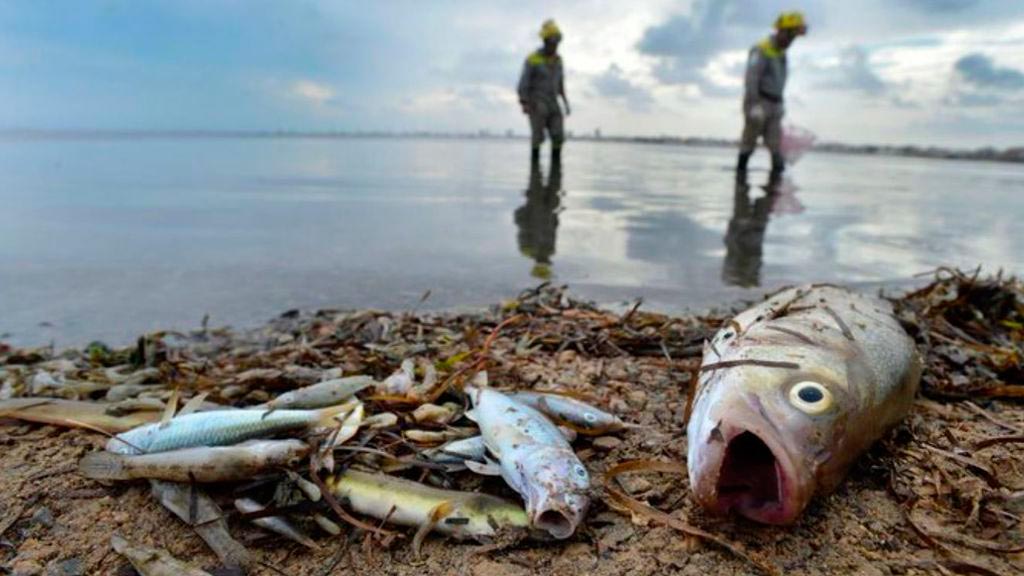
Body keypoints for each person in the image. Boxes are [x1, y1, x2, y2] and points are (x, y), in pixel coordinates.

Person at [737, 11, 808, 181]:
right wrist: (754, 105)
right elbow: (751, 78)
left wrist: (780, 104)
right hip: (758, 102)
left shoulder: (782, 53)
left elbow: (778, 82)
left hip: (775, 105)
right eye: (790, 37)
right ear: (782, 31)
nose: (791, 42)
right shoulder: (761, 49)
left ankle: (773, 193)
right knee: (748, 142)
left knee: (776, 147)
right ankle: (740, 182)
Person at [518, 19, 570, 165]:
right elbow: (524, 82)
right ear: (545, 40)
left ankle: (556, 167)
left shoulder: (559, 60)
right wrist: (524, 103)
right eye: (552, 40)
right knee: (538, 137)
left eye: (557, 40)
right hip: (537, 102)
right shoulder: (533, 59)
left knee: (558, 135)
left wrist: (565, 103)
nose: (555, 44)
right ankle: (535, 177)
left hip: (553, 101)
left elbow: (561, 83)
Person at [514, 161, 562, 280]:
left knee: (542, 178)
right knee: (552, 178)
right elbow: (554, 228)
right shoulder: (548, 250)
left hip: (541, 208)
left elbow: (520, 222)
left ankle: (540, 159)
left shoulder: (531, 249)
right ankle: (548, 158)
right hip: (544, 208)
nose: (546, 259)